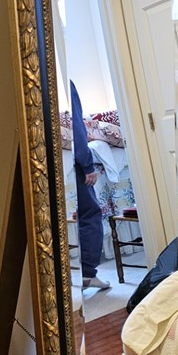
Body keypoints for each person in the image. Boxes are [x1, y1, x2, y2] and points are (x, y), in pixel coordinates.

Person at [70, 81, 110, 290]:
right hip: (73, 161)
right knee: (90, 212)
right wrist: (87, 164)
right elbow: (76, 126)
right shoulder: (64, 83)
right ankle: (87, 272)